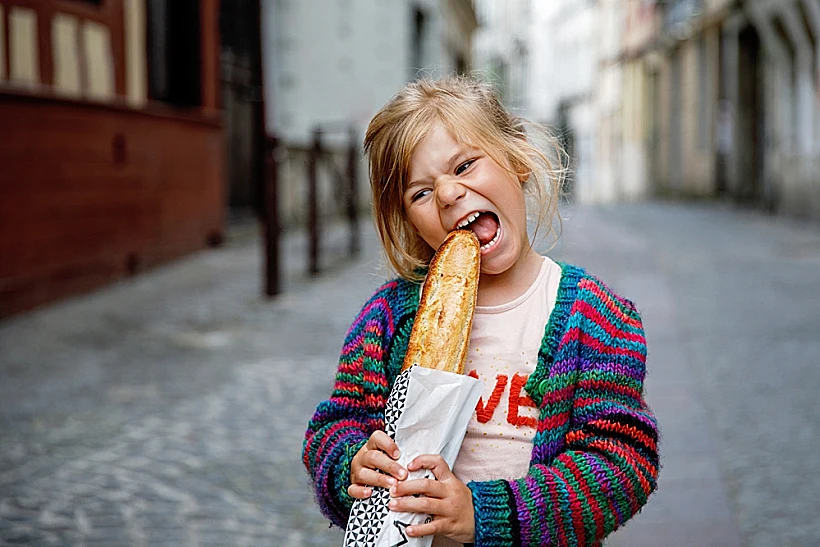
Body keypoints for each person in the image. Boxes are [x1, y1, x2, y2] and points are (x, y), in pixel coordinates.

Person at [302, 75, 659, 547]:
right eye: (421, 193)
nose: (449, 194)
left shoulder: (594, 316)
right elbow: (335, 425)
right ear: (408, 221)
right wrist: (352, 463)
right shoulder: (387, 320)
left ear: (516, 159)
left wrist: (484, 515)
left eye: (465, 165)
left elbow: (621, 461)